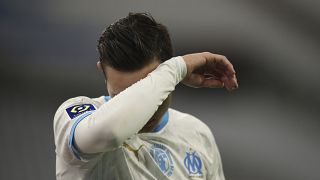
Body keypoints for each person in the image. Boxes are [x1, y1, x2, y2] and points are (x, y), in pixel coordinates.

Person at [54, 12, 238, 180]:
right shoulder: (74, 116)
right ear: (102, 71)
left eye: (153, 89)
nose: (145, 115)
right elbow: (110, 133)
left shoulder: (198, 134)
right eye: (121, 95)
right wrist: (177, 67)